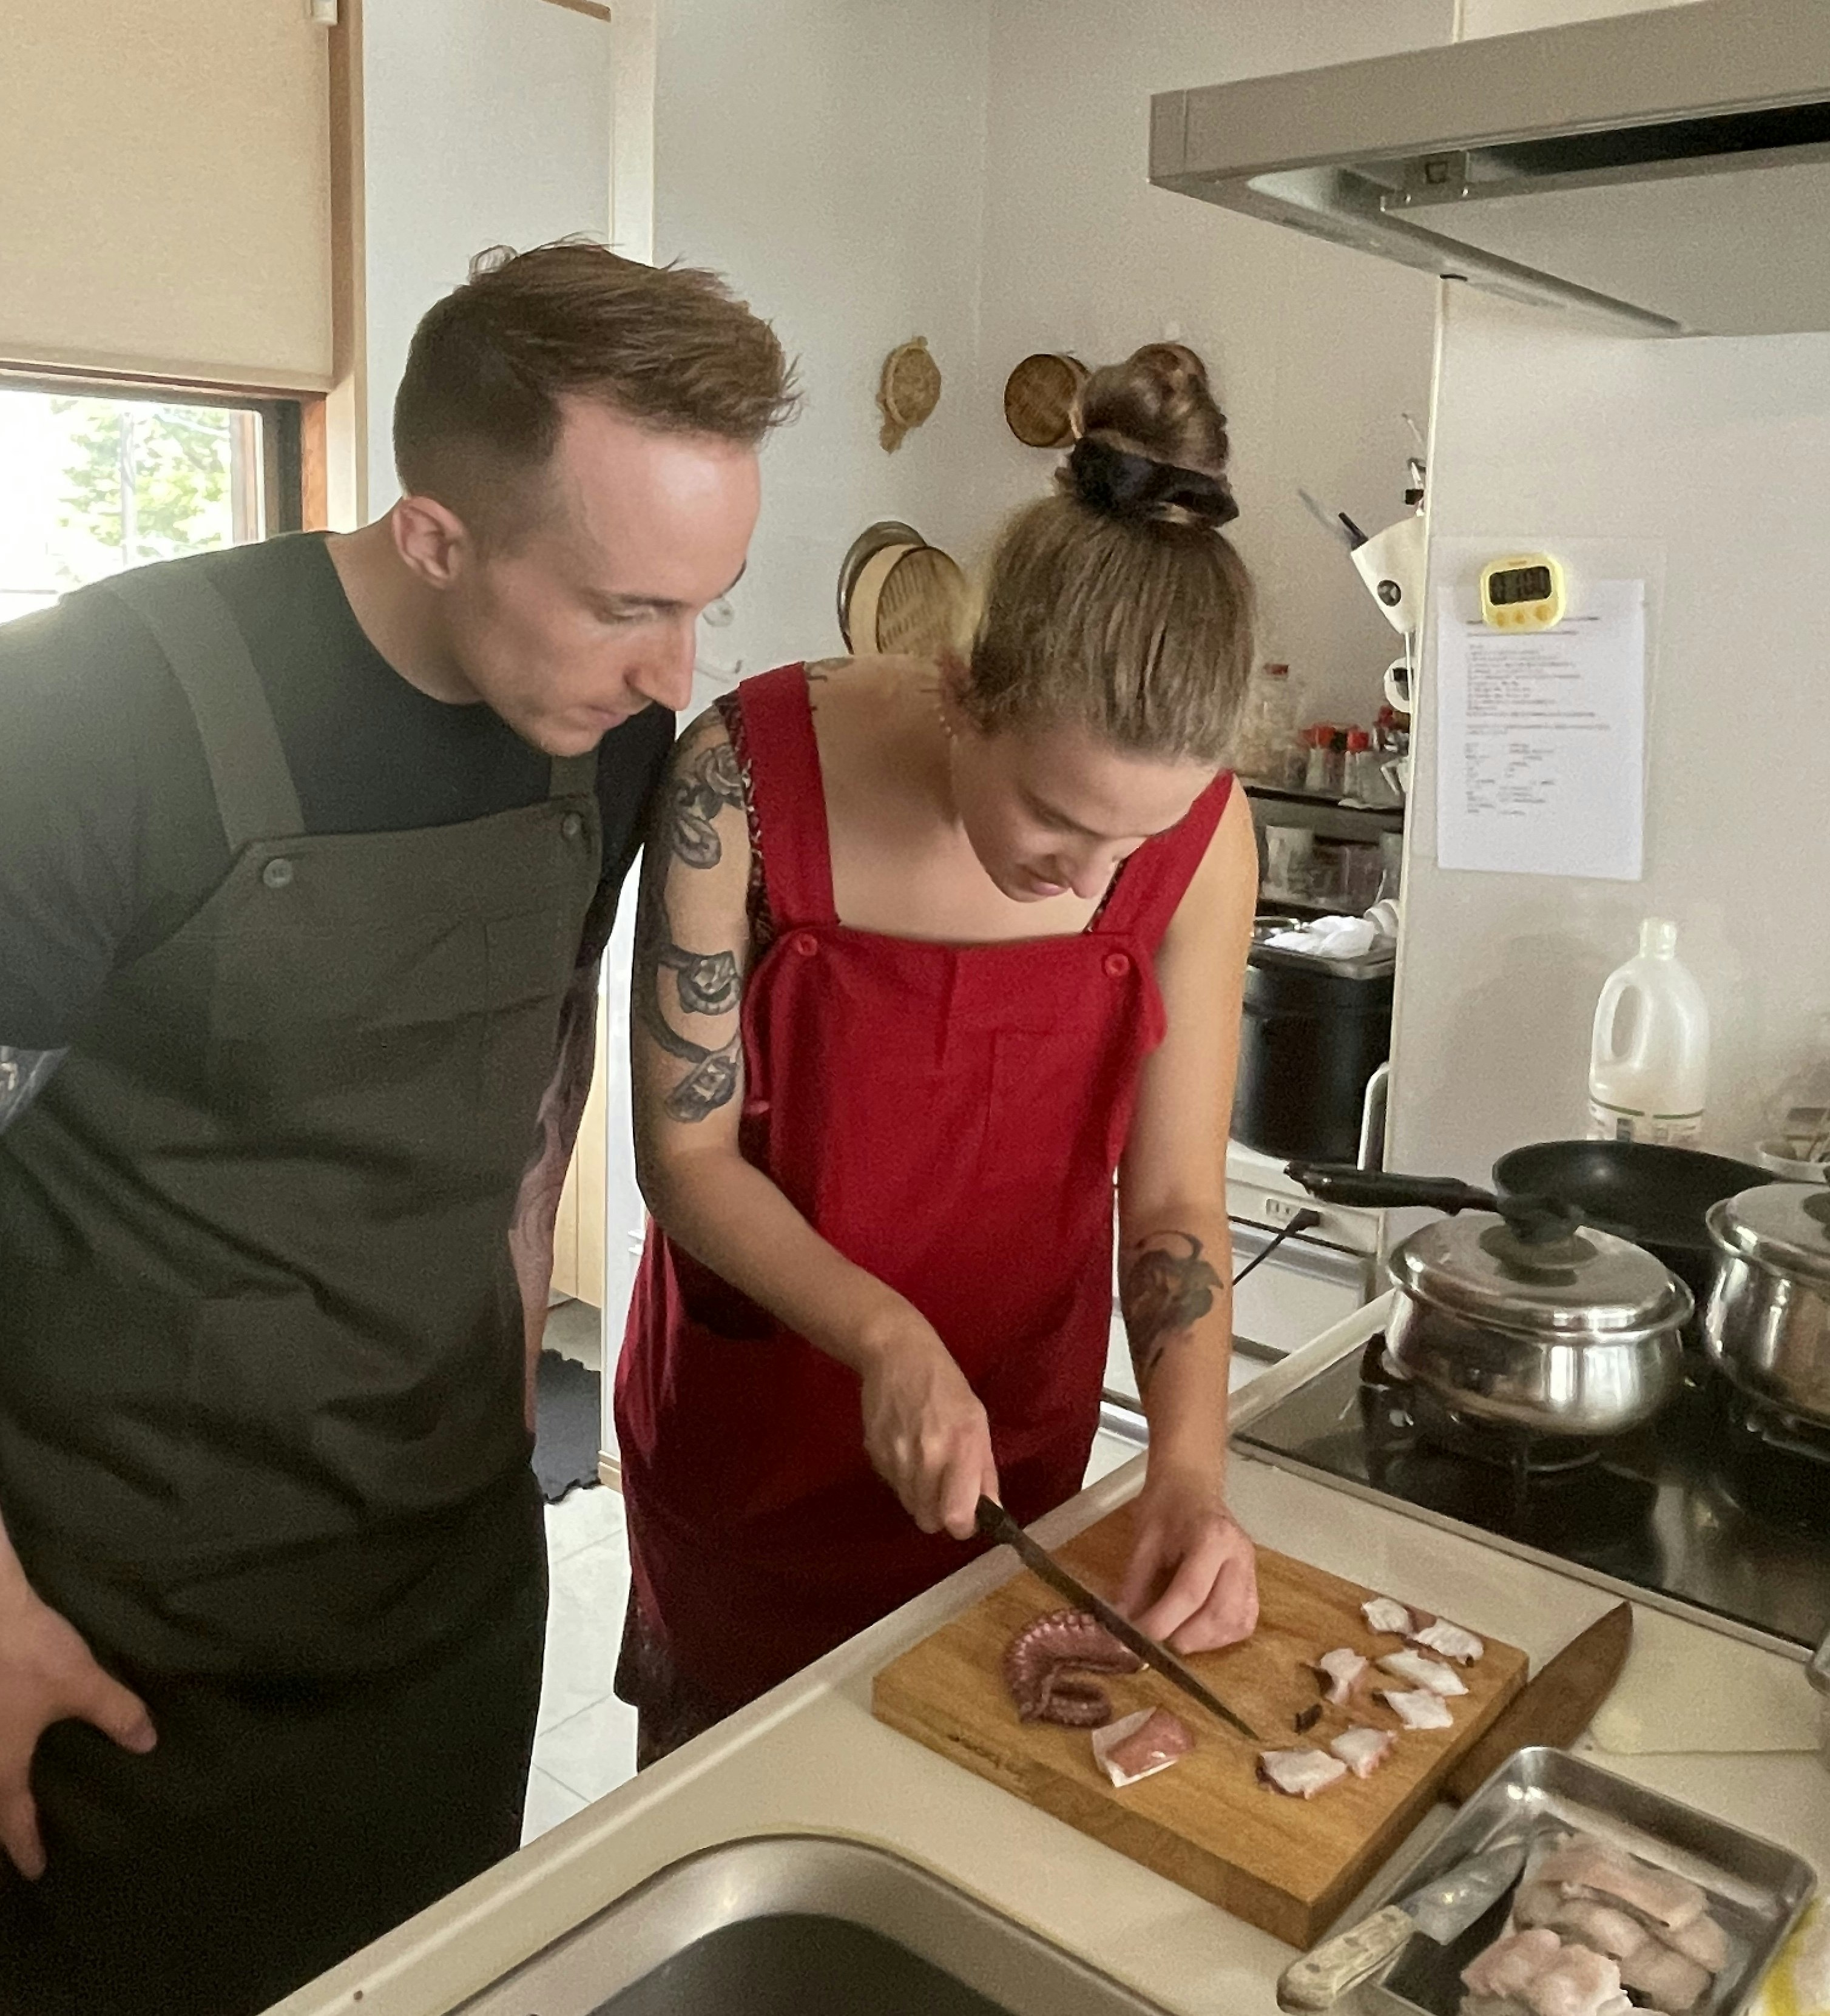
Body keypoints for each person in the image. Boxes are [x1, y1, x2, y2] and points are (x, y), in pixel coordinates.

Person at [0, 241, 794, 2015]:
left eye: (705, 604)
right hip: (114, 1598)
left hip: (434, 1580)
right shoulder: (90, 711)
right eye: (624, 606)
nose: (672, 673)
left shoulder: (608, 741)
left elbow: (536, 1078)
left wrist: (501, 1402)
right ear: (435, 536)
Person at [615, 341, 1262, 1765]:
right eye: (1055, 817)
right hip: (756, 1440)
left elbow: (1170, 1200)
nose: (1088, 877)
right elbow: (683, 1155)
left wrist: (1186, 1469)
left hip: (1011, 1452)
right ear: (963, 689)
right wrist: (884, 1335)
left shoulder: (1210, 837)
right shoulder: (739, 776)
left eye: (1132, 843)